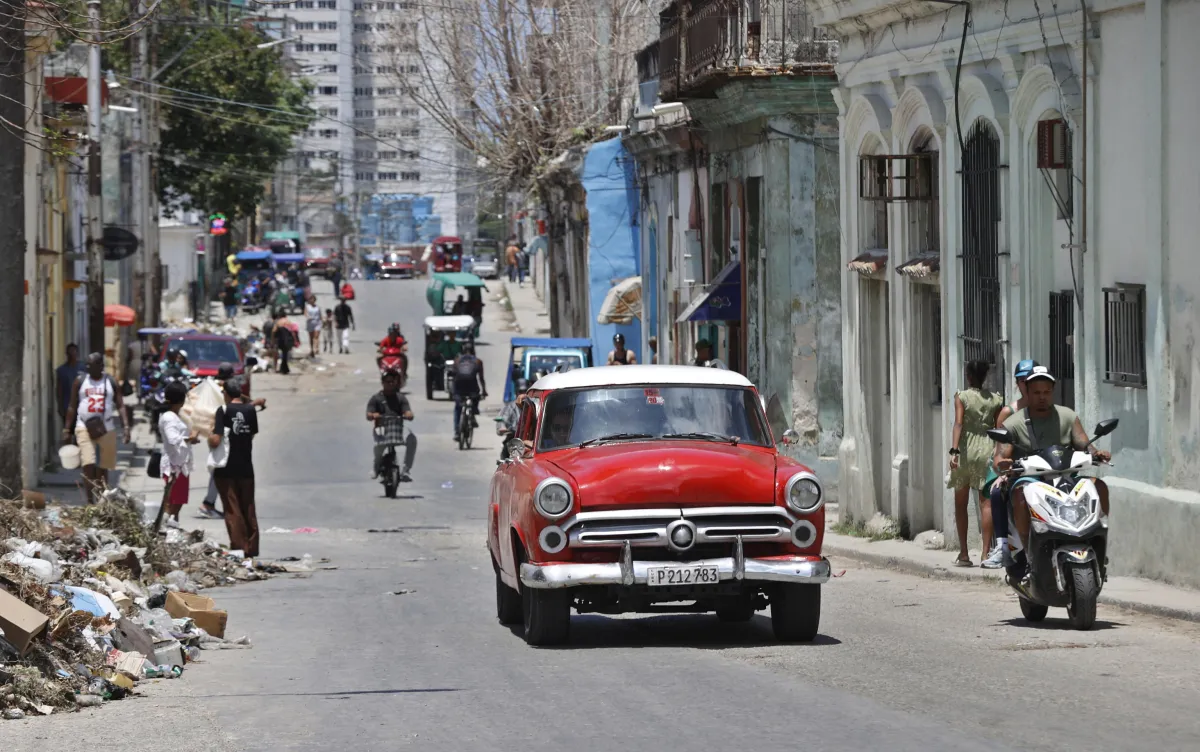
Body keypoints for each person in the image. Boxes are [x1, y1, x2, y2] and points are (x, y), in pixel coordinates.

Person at [993, 366, 1112, 570]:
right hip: (1031, 479)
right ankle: (1029, 552)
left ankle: (1098, 544)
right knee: (1020, 494)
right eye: (1037, 392)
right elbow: (1000, 456)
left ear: (1053, 391)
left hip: (1066, 478)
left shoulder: (1067, 416)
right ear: (1027, 392)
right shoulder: (1013, 423)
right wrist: (1002, 463)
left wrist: (1096, 453)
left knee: (1098, 486)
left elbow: (1084, 444)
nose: (1042, 397)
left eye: (1046, 392)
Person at [980, 359, 1039, 568]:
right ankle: (1002, 546)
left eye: (1030, 380)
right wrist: (1004, 470)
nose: (1026, 384)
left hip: (1046, 467)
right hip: (1018, 469)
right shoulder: (1009, 412)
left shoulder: (1050, 410)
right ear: (1017, 383)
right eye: (1022, 381)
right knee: (997, 492)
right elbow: (1001, 448)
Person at [947, 360, 1004, 567]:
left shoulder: (961, 397)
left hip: (966, 451)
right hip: (987, 450)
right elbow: (998, 428)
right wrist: (998, 453)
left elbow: (958, 423)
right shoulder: (995, 400)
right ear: (985, 377)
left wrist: (954, 451)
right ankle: (985, 553)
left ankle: (964, 554)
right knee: (986, 503)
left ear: (968, 376)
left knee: (961, 503)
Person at [63, 353, 131, 504]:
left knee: (103, 467)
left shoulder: (111, 381)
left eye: (91, 365)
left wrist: (126, 427)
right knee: (88, 464)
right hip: (84, 427)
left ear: (100, 366)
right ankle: (90, 501)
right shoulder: (80, 381)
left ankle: (102, 498)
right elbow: (72, 406)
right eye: (86, 364)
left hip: (106, 427)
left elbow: (120, 405)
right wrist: (67, 429)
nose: (87, 367)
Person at [201, 363, 266, 519]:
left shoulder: (215, 388)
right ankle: (209, 504)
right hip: (222, 434)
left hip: (223, 433)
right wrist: (254, 403)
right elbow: (235, 409)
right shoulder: (222, 391)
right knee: (220, 468)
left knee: (221, 467)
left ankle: (212, 503)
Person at [209, 377, 261, 560]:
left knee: (232, 509)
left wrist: (209, 434)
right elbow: (252, 434)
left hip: (226, 468)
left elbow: (216, 441)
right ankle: (251, 548)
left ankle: (239, 547)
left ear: (226, 394)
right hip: (246, 466)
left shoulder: (223, 410)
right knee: (248, 507)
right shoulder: (250, 410)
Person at [159, 380, 200, 529]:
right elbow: (172, 439)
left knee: (177, 500)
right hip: (174, 465)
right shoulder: (169, 417)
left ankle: (172, 527)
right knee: (172, 502)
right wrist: (190, 438)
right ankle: (166, 528)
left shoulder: (175, 416)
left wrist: (190, 440)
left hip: (180, 463)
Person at [366, 371, 418, 482]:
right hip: (381, 428)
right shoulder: (376, 398)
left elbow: (407, 410)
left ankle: (406, 470)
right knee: (378, 446)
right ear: (382, 382)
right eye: (387, 381)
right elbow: (369, 414)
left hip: (397, 428)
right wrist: (373, 415)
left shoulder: (400, 398)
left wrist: (408, 414)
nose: (390, 384)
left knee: (412, 439)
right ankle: (376, 467)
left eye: (392, 382)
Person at [452, 342, 487, 440]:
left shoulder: (457, 360)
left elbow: (453, 375)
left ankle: (457, 432)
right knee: (476, 397)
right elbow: (481, 378)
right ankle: (473, 413)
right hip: (472, 387)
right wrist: (484, 391)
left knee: (458, 408)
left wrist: (454, 392)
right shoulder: (478, 361)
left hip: (459, 386)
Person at [496, 378, 529, 460]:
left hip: (531, 441)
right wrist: (502, 427)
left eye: (525, 391)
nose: (522, 394)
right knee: (505, 456)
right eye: (520, 392)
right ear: (516, 392)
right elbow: (502, 419)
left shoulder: (535, 406)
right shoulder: (510, 407)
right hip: (514, 439)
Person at [56, 343, 85, 422]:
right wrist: (60, 406)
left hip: (82, 406)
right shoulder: (61, 370)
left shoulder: (83, 368)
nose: (72, 354)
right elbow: (59, 389)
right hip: (67, 407)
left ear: (77, 353)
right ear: (66, 354)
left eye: (74, 352)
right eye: (70, 352)